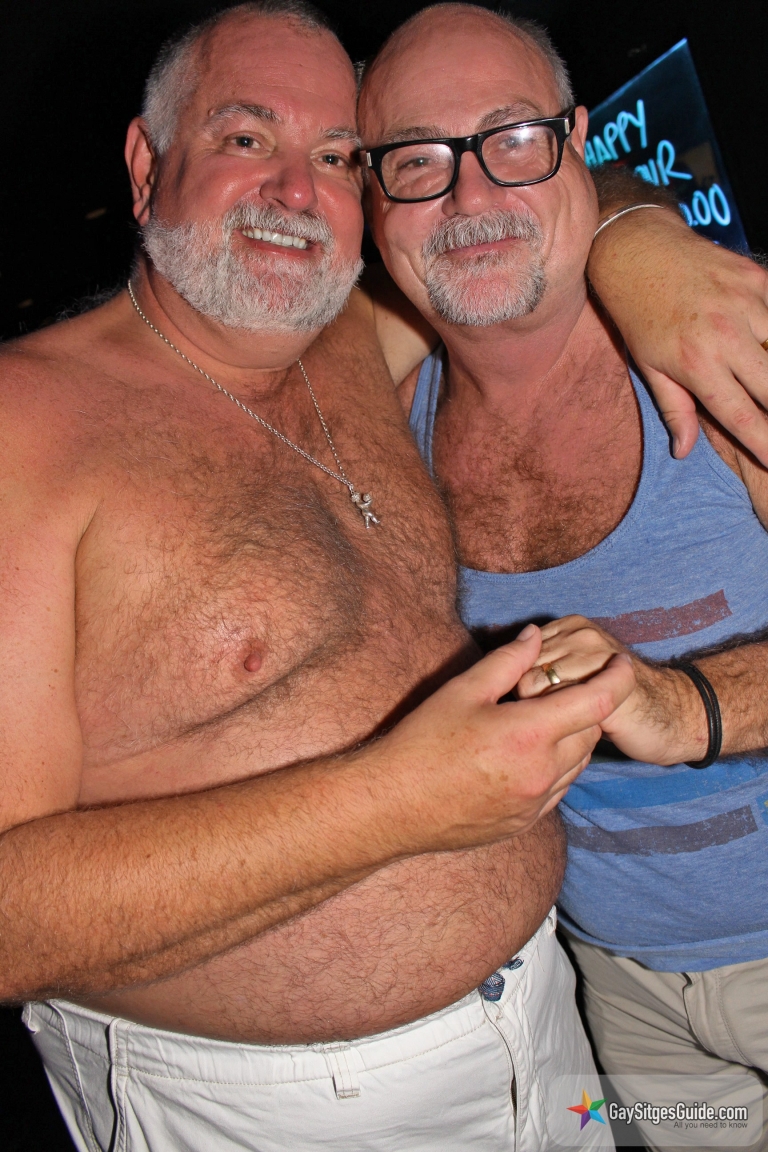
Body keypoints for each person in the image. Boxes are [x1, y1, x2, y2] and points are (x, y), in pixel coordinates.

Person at [4, 3, 768, 1149]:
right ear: (147, 162)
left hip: (556, 1046)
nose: (294, 191)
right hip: (292, 1109)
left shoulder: (378, 351)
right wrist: (396, 803)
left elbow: (516, 201)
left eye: (331, 156)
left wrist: (635, 234)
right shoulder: (29, 429)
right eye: (246, 138)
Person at [359, 5, 768, 1149]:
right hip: (614, 990)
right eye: (418, 160)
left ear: (578, 142)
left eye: (513, 138)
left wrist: (684, 707)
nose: (471, 194)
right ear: (371, 194)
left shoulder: (726, 341)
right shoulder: (383, 425)